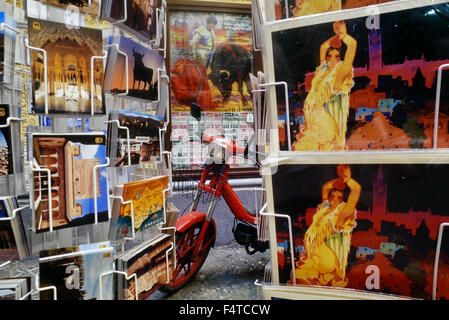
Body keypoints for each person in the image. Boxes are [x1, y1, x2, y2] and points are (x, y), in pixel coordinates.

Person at [292, 20, 357, 151]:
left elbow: (352, 45)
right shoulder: (322, 70)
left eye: (337, 57)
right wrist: (336, 35)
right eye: (330, 56)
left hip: (322, 122)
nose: (332, 59)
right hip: (312, 120)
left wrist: (342, 34)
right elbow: (323, 47)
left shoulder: (339, 75)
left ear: (341, 59)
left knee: (317, 149)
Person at [293, 164, 361, 287]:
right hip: (313, 256)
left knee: (307, 279)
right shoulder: (325, 208)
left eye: (339, 198)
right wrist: (340, 179)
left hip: (325, 259)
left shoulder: (342, 214)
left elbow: (356, 189)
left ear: (343, 201)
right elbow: (326, 187)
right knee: (300, 279)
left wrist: (347, 178)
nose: (334, 200)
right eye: (332, 196)